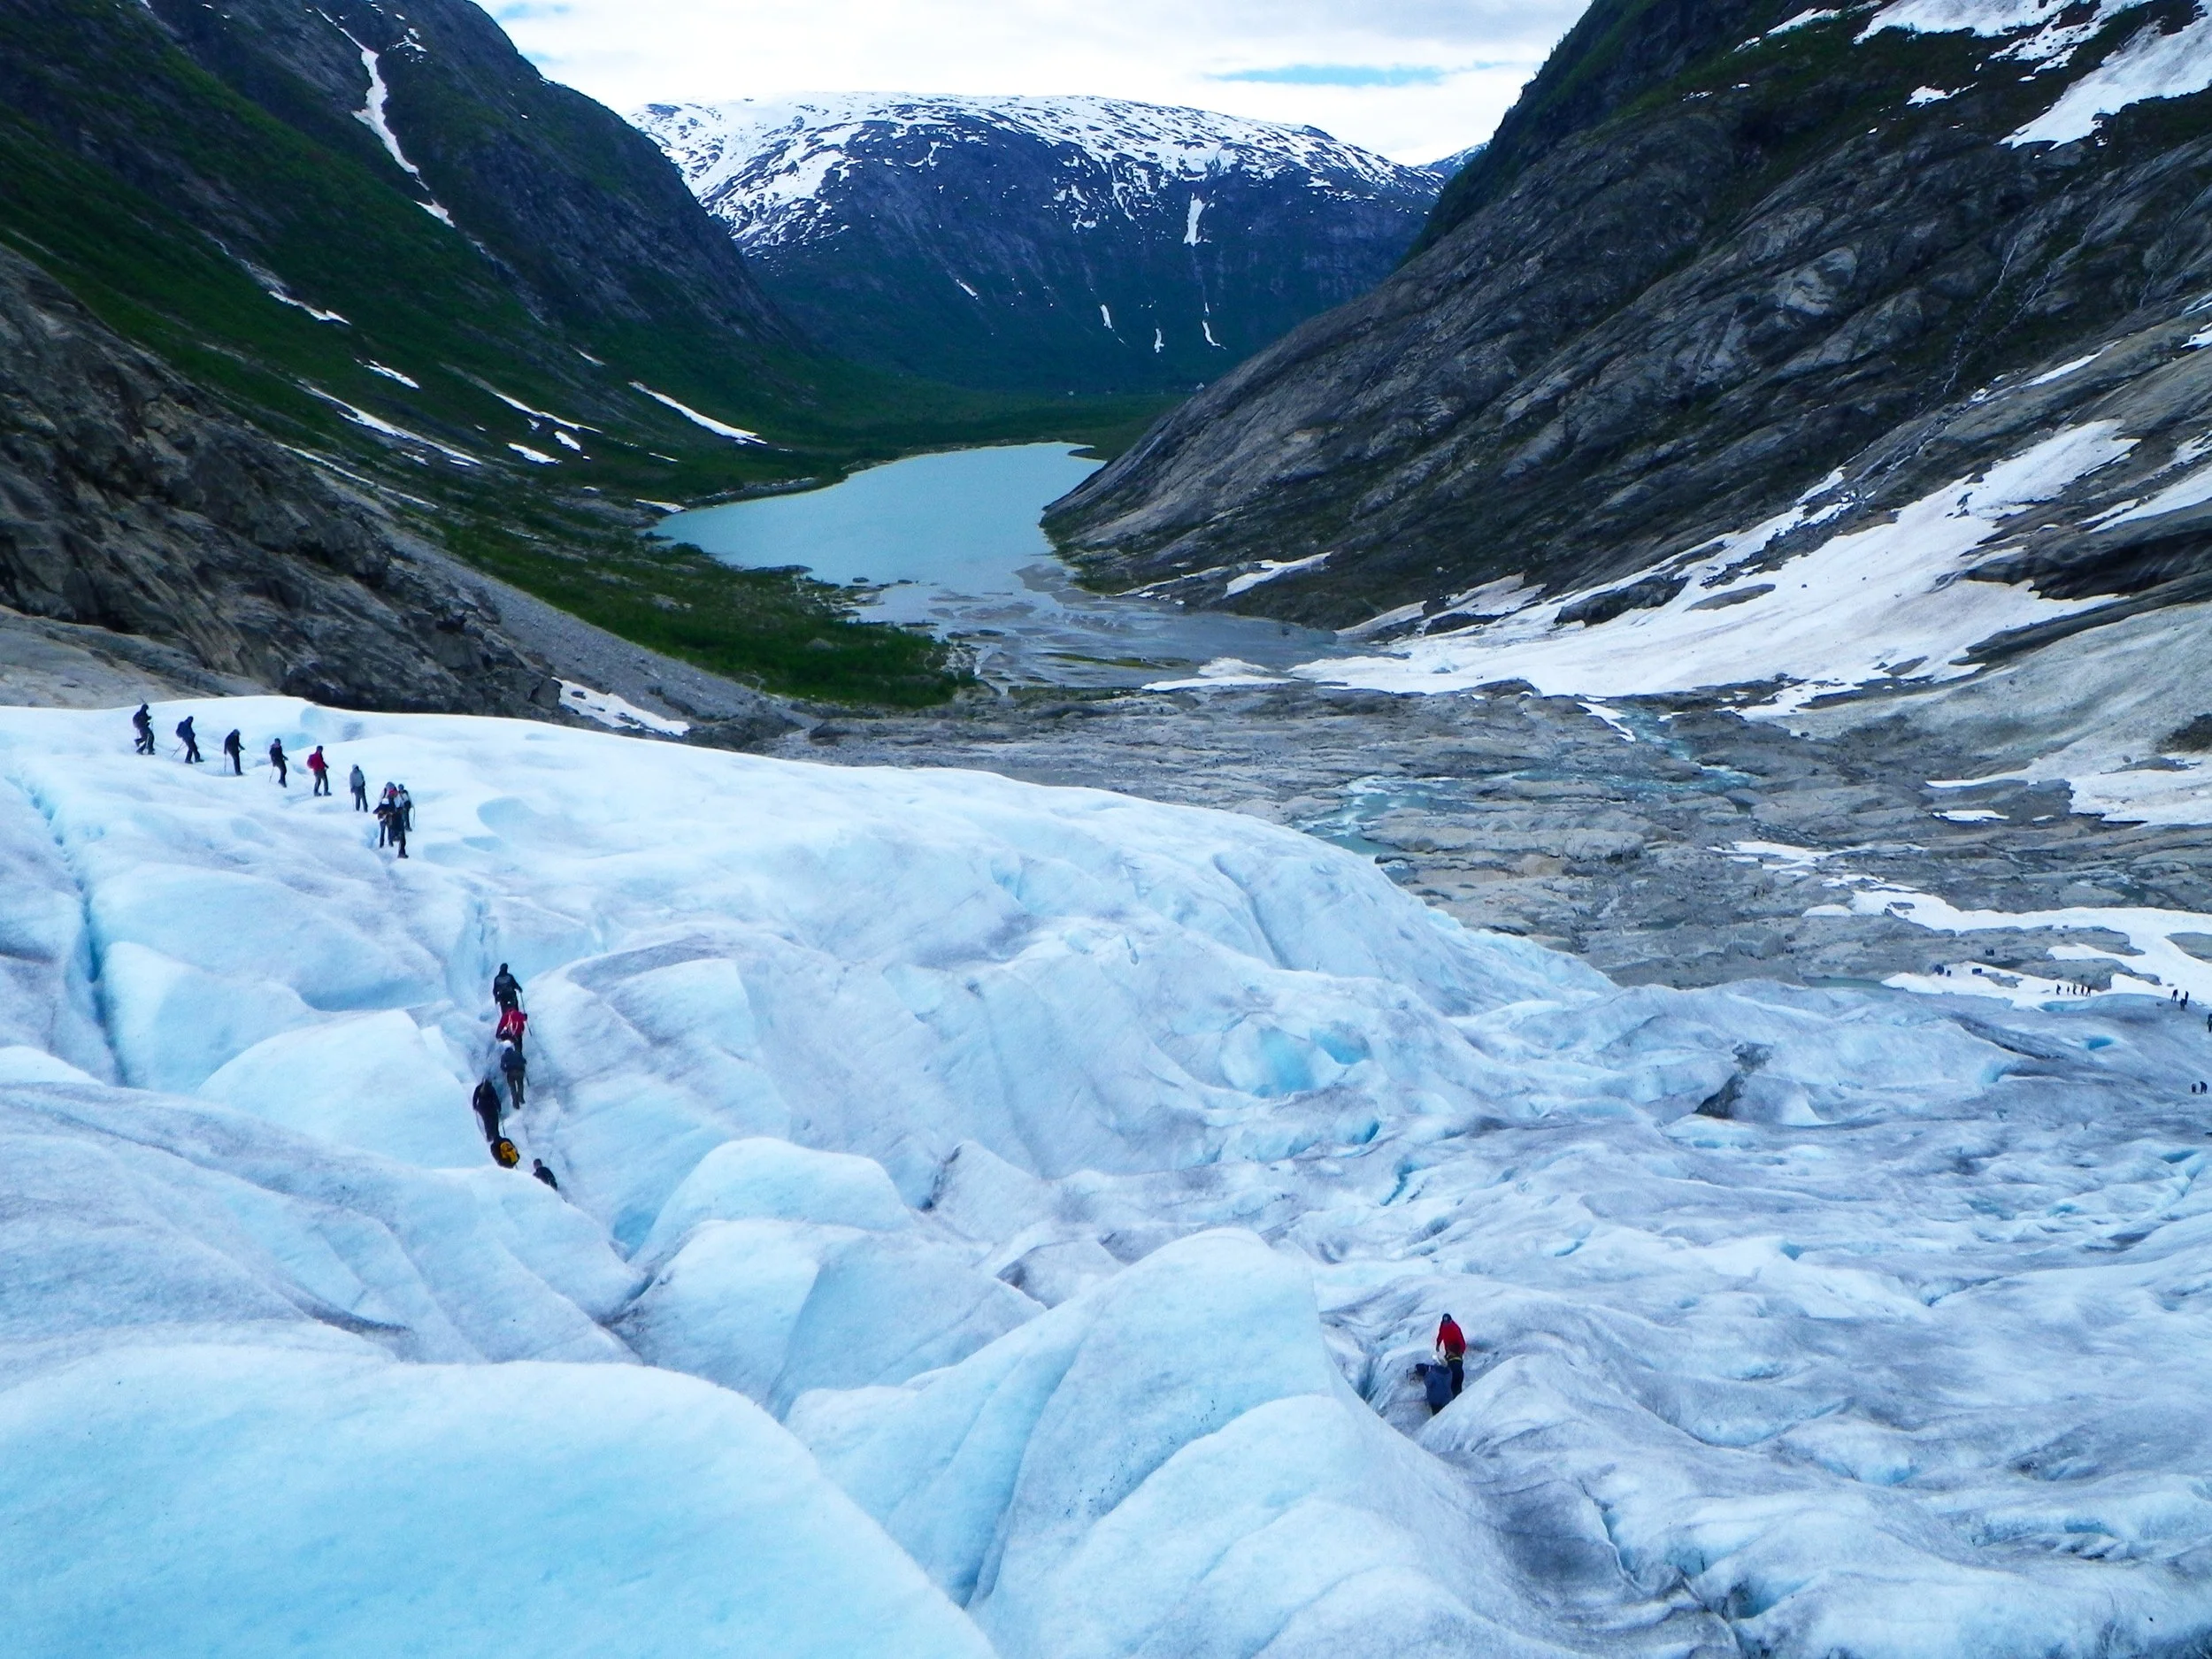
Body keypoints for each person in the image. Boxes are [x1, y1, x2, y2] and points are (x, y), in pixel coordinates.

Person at [1435, 1313, 1467, 1398]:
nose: (1445, 1325)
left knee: (1455, 1370)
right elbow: (1441, 1334)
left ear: (1450, 1321)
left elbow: (1461, 1341)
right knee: (1451, 1368)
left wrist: (1460, 1352)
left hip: (1456, 1349)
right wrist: (1438, 1343)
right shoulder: (1443, 1325)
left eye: (1447, 1323)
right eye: (1444, 1323)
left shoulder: (1455, 1328)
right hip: (1449, 1349)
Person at [472, 1079, 502, 1144]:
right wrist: (499, 1108)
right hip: (491, 1107)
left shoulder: (478, 1088)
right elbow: (495, 1098)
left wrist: (475, 1106)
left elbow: (475, 1097)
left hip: (482, 1108)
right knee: (494, 1120)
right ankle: (496, 1135)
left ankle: (489, 1136)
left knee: (486, 1121)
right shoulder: (491, 1088)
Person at [499, 1039, 526, 1110]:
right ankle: (521, 1098)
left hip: (511, 1073)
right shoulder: (517, 1053)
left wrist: (506, 1070)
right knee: (520, 1084)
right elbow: (524, 1060)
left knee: (512, 1088)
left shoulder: (504, 1056)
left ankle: (515, 1104)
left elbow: (502, 1066)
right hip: (520, 1071)